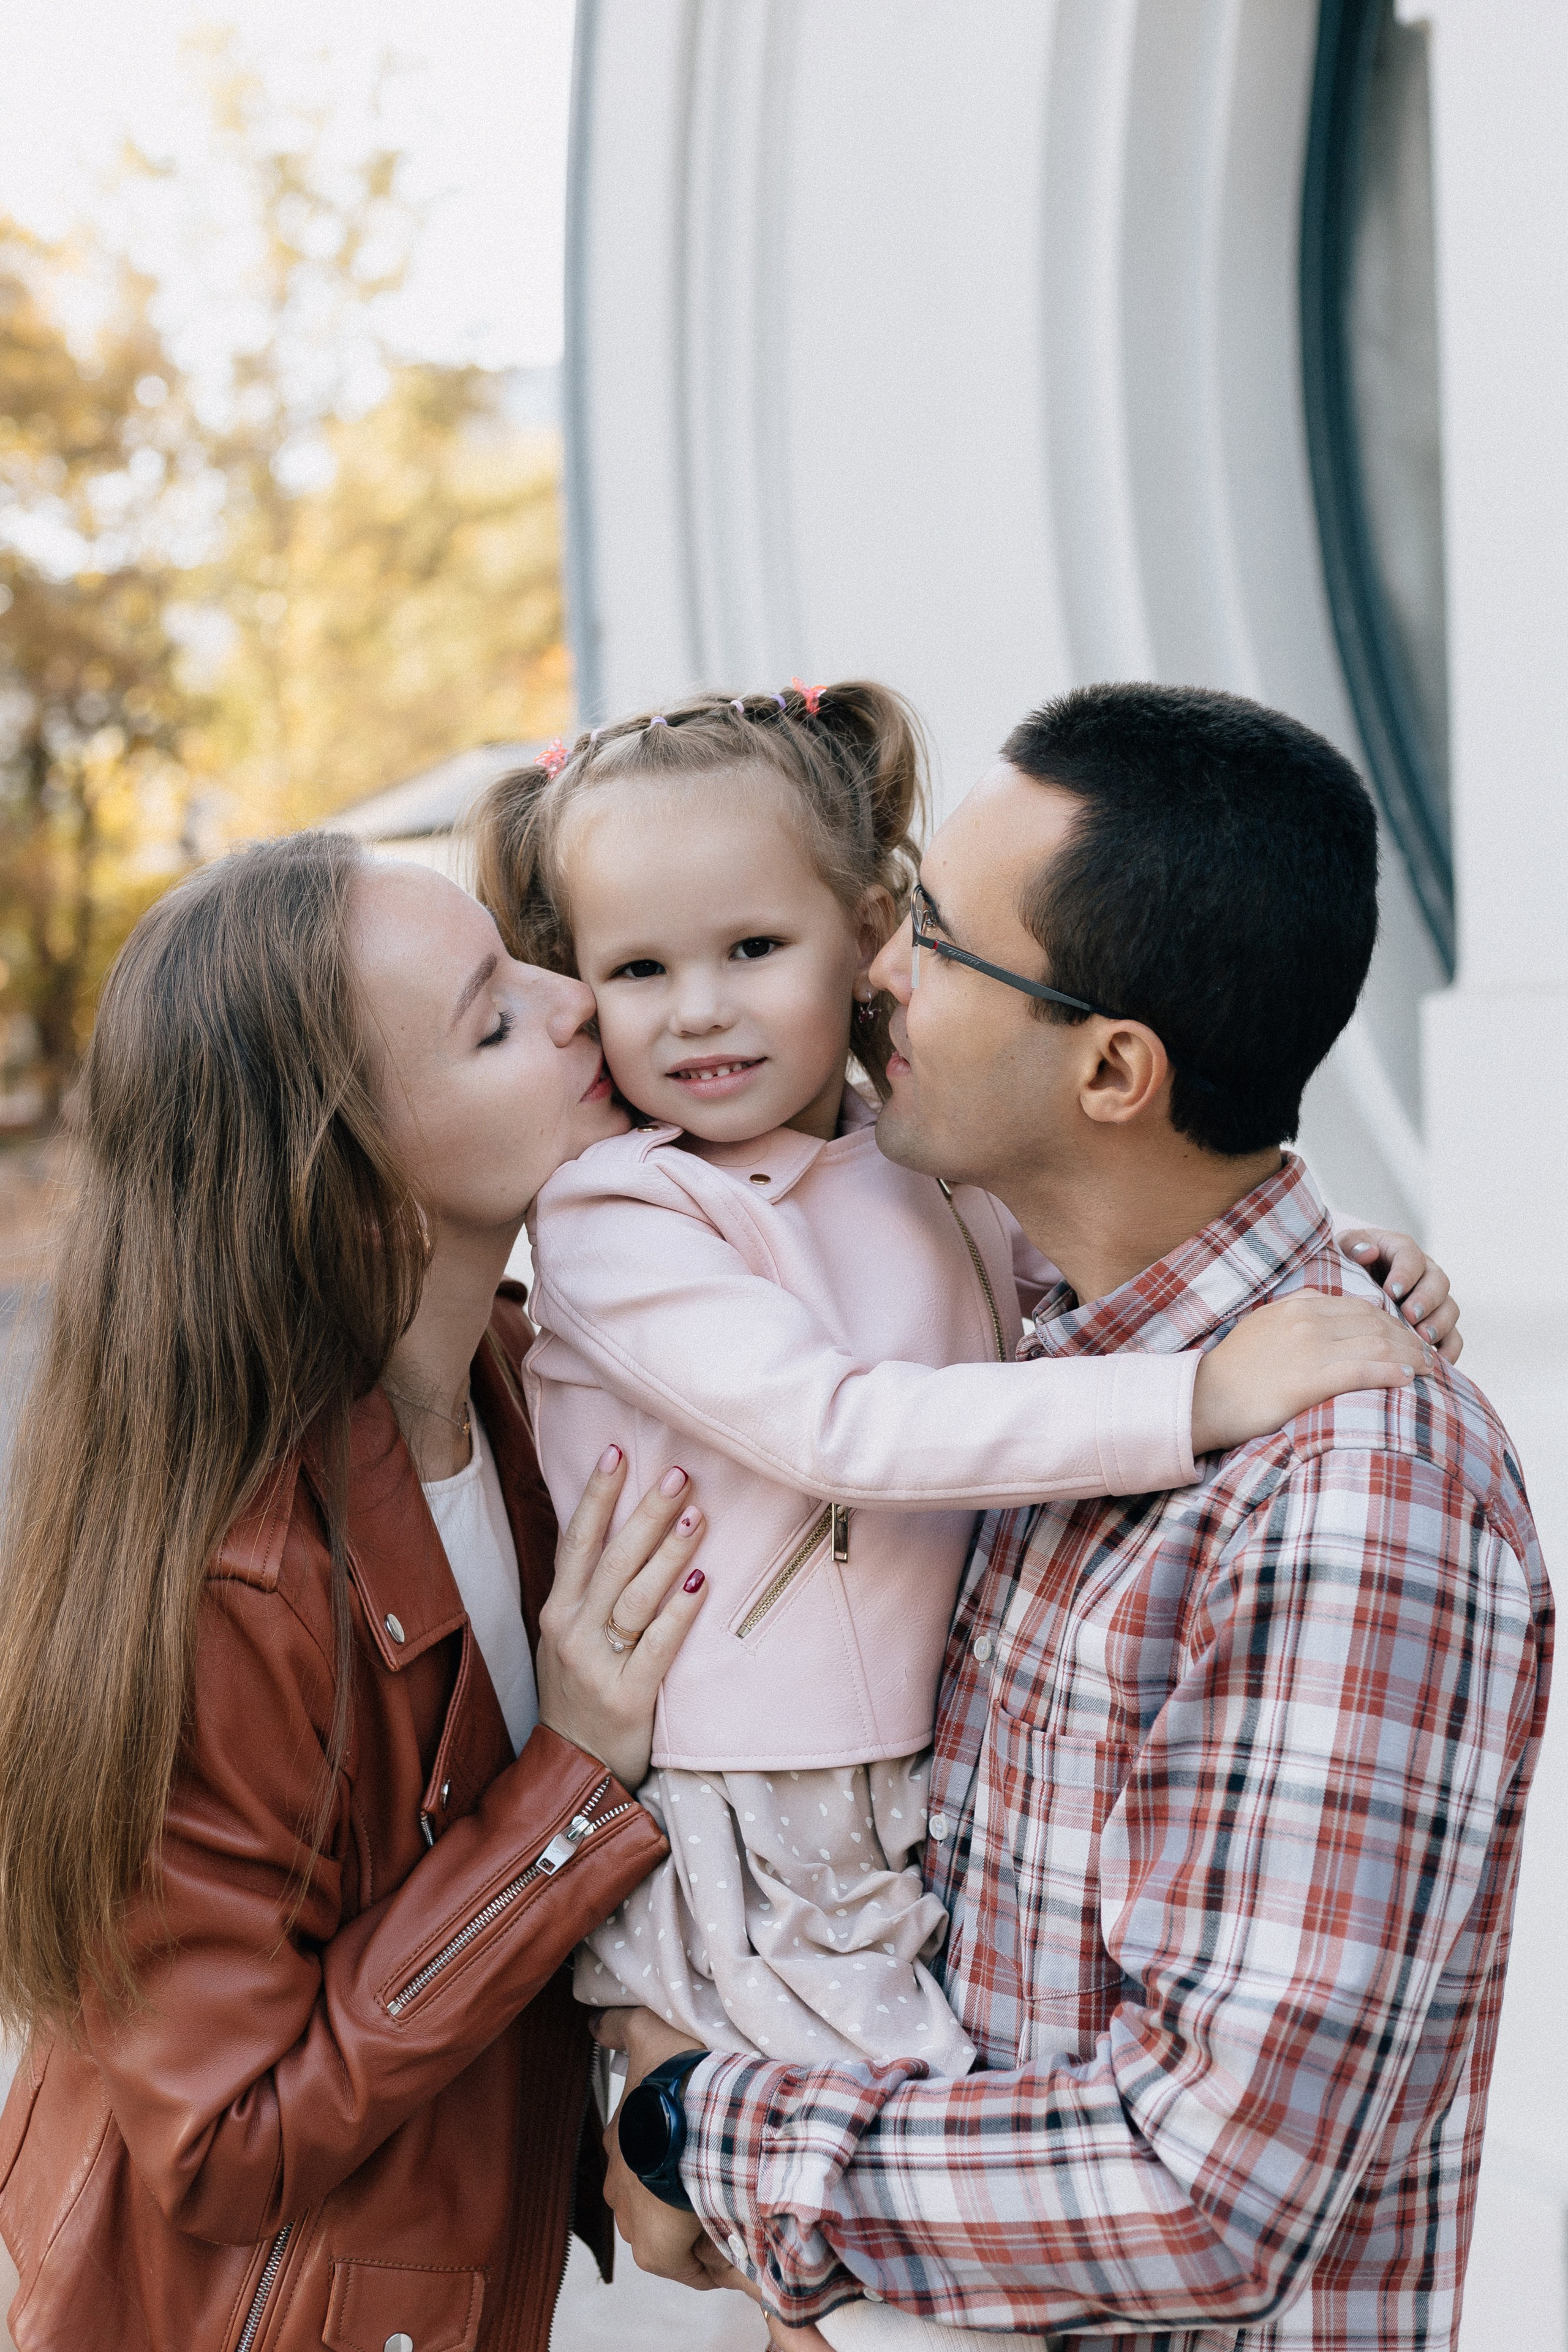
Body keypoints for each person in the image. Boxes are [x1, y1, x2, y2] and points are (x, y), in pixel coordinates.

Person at [598, 684, 1550, 2352]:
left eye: (938, 941)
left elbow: (1200, 2193)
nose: (874, 974)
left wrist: (700, 2130)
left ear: (1112, 1067)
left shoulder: (1346, 1489)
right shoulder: (1031, 1356)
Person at [472, 686, 1441, 2119]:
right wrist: (1196, 1397)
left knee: (917, 2126)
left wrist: (1346, 1258)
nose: (698, 1010)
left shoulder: (919, 1159)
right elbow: (840, 1429)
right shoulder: (623, 1214)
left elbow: (1112, 1264)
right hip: (762, 1781)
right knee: (861, 2131)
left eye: (752, 949)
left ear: (865, 937)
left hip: (925, 1756)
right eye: (637, 969)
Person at [0, 832, 712, 2352]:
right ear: (363, 1190)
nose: (576, 1001)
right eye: (494, 1020)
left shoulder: (528, 1387)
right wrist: (567, 1790)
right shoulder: (239, 1590)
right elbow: (224, 2139)